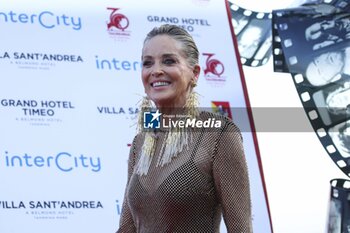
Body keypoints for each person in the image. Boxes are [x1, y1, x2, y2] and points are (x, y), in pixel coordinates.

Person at [116, 24, 252, 232]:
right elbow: (127, 228)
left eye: (169, 61)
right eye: (147, 63)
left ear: (195, 73)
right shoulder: (140, 143)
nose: (156, 70)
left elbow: (240, 229)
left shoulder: (218, 134)